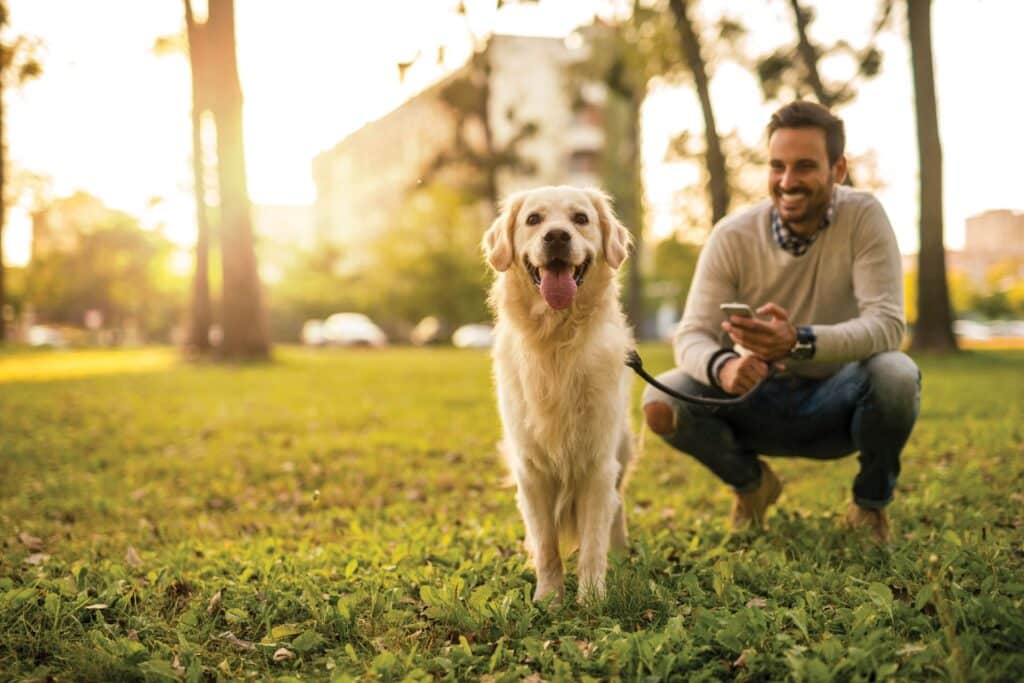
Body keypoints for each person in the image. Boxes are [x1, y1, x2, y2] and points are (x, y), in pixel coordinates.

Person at [642, 100, 920, 543]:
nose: (787, 182)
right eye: (777, 166)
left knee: (897, 374)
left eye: (805, 166)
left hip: (837, 402)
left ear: (838, 168)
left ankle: (869, 506)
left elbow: (888, 325)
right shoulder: (732, 235)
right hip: (754, 403)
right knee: (661, 400)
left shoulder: (864, 216)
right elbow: (691, 333)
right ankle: (752, 486)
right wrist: (725, 367)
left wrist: (798, 341)